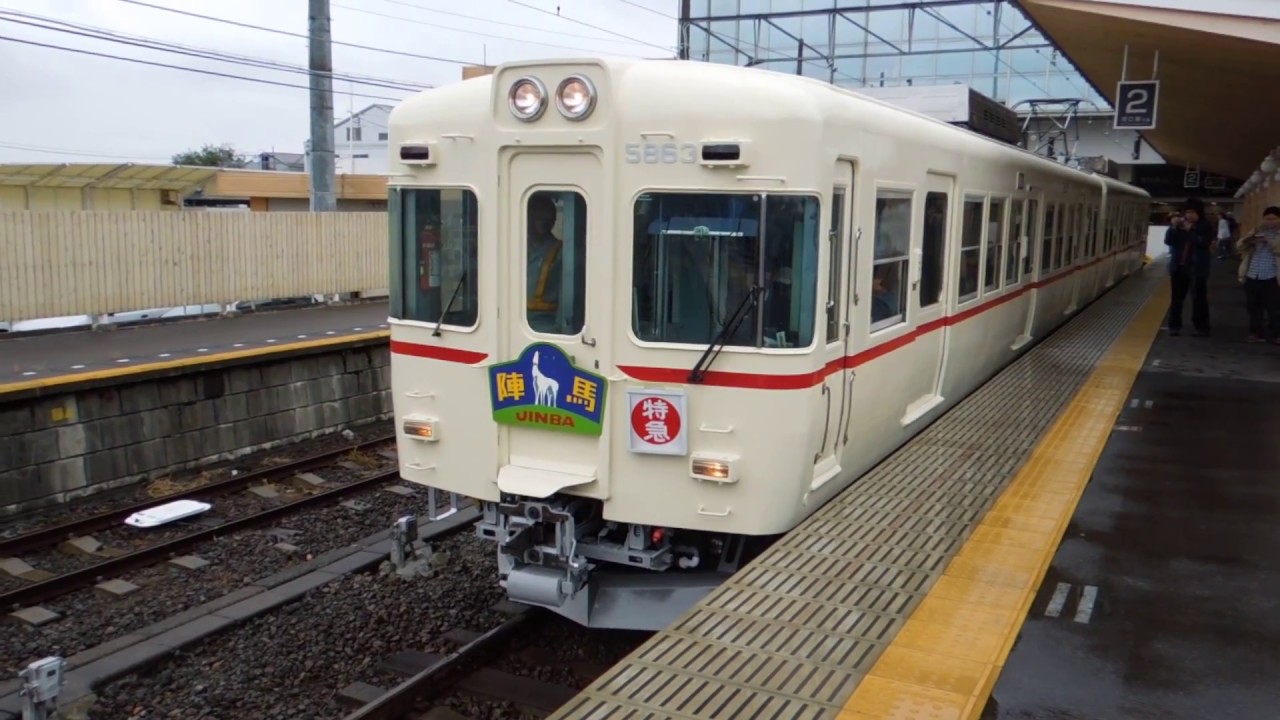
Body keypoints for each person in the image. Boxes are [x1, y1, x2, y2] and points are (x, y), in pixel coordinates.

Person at [1163, 198, 1214, 336]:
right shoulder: (1179, 225)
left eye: (1193, 212)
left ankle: (1201, 327)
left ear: (1199, 213)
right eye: (1187, 212)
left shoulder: (1205, 226)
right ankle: (1174, 326)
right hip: (1179, 267)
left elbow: (1204, 243)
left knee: (1198, 299)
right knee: (1176, 298)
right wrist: (1173, 228)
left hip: (1197, 269)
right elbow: (1168, 241)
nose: (1189, 215)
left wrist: (1191, 230)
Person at [1236, 206, 1280, 343]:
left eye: (1274, 219)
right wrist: (1247, 240)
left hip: (1272, 275)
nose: (1270, 221)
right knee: (1253, 307)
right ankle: (1256, 333)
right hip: (1253, 273)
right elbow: (1239, 247)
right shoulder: (1257, 230)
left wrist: (1268, 240)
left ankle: (1275, 334)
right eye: (1267, 219)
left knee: (1274, 307)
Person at [526, 193, 563, 332]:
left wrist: (560, 329)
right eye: (538, 216)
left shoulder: (561, 252)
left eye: (548, 218)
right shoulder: (513, 246)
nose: (545, 221)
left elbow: (567, 298)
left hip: (545, 326)